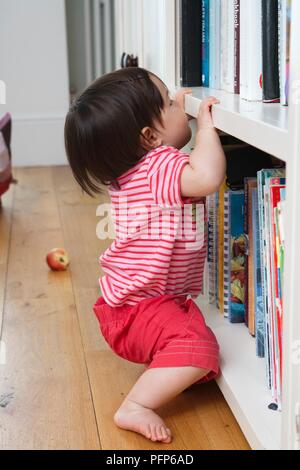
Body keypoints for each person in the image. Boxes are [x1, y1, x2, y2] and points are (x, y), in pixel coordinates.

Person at [64, 67, 226, 444]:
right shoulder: (158, 166)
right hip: (141, 310)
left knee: (195, 345)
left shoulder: (131, 168)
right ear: (150, 137)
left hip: (128, 306)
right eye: (170, 102)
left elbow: (171, 154)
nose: (179, 104)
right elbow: (205, 177)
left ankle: (170, 364)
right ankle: (135, 405)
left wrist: (175, 115)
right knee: (200, 346)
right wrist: (206, 130)